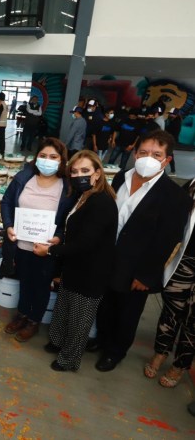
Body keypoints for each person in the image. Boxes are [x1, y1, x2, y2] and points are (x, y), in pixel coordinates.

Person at [95, 130, 192, 372]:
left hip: (137, 268)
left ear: (167, 160)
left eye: (157, 154)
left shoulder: (175, 197)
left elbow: (168, 240)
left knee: (127, 312)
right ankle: (102, 340)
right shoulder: (121, 178)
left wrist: (146, 275)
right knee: (105, 303)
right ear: (135, 154)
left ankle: (116, 351)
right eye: (144, 152)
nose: (149, 158)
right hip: (108, 257)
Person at [41, 151, 118, 371]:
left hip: (91, 272)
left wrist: (50, 250)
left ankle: (68, 359)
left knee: (79, 319)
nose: (78, 175)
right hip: (74, 265)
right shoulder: (83, 196)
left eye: (85, 170)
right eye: (74, 172)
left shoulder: (102, 202)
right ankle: (57, 341)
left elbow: (86, 243)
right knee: (63, 307)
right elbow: (73, 230)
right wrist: (60, 239)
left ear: (97, 173)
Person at [1, 137, 75, 342]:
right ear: (36, 157)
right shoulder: (23, 178)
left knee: (41, 286)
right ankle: (22, 314)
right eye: (43, 156)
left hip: (46, 249)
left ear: (61, 160)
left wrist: (59, 237)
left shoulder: (67, 187)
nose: (47, 160)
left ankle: (34, 321)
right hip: (21, 244)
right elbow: (6, 202)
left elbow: (70, 219)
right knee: (25, 281)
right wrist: (8, 225)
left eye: (53, 157)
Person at [143, 177, 194, 387]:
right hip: (183, 260)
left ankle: (180, 365)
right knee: (171, 311)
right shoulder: (191, 184)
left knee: (193, 320)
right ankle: (160, 352)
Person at [165, 107, 182, 176]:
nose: (170, 115)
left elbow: (168, 130)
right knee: (168, 154)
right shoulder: (172, 121)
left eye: (172, 114)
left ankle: (173, 171)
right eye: (170, 113)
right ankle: (172, 171)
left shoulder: (176, 122)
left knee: (169, 154)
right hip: (170, 140)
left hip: (171, 140)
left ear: (176, 115)